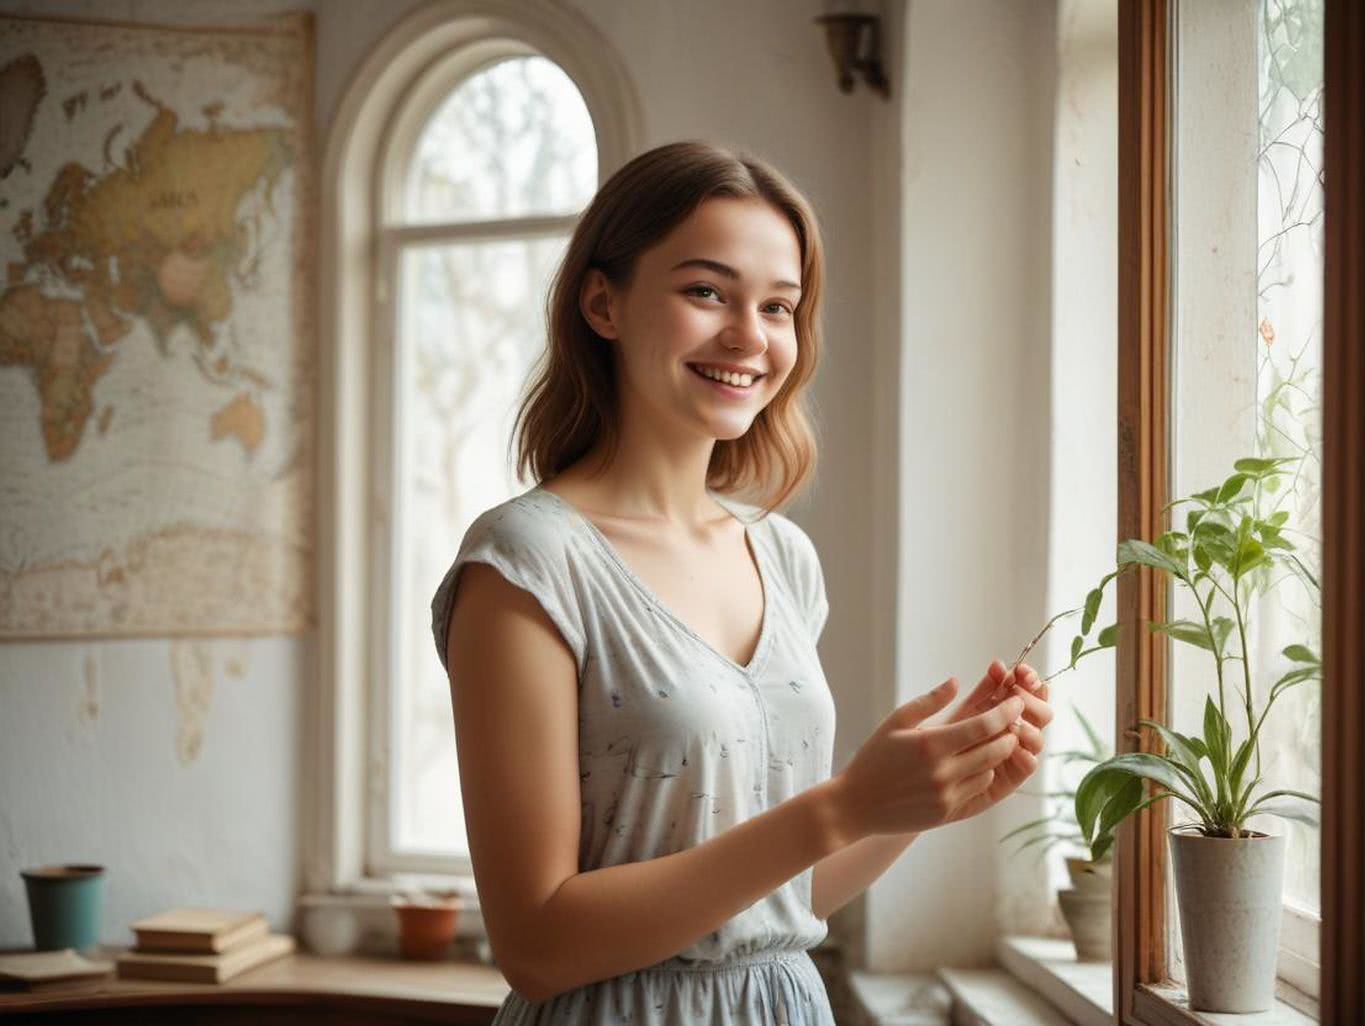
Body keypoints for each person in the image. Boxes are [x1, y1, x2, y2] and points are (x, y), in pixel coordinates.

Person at [431, 140, 1052, 1026]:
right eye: (706, 292)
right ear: (603, 303)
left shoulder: (783, 557)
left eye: (778, 307)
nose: (749, 337)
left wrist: (911, 804)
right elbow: (536, 946)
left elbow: (772, 902)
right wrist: (842, 806)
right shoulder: (527, 564)